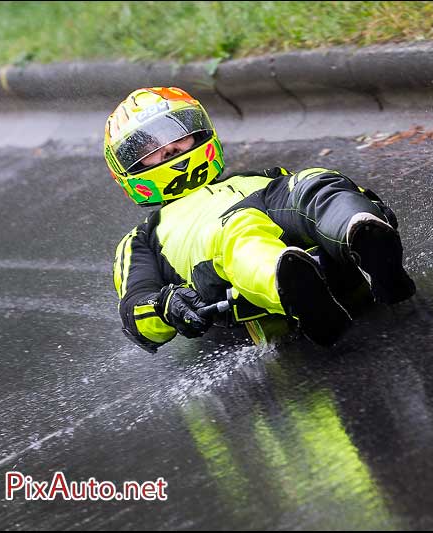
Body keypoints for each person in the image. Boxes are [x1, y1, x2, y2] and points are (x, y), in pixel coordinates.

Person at [106, 86, 415, 353]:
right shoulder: (141, 239)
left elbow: (307, 187)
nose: (170, 148)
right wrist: (165, 304)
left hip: (271, 197)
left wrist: (367, 202)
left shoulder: (262, 176)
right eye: (148, 148)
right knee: (240, 230)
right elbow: (135, 310)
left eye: (177, 133)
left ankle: (359, 235)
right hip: (217, 242)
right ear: (127, 169)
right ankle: (291, 285)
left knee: (313, 182)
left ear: (199, 130)